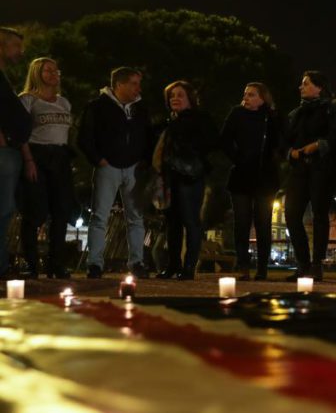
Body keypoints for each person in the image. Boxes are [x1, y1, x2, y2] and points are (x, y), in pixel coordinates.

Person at [78, 67, 153, 279]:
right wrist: (98, 159)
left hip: (134, 168)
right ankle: (95, 264)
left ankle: (137, 262)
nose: (138, 88)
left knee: (136, 217)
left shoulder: (140, 109)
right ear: (119, 84)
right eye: (134, 83)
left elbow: (148, 136)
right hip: (107, 166)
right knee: (100, 216)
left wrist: (145, 161)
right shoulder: (97, 106)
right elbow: (85, 136)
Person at [284, 71, 336, 281]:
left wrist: (318, 146)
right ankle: (303, 262)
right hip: (299, 169)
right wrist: (290, 152)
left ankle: (316, 264)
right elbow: (284, 139)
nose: (301, 87)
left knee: (320, 215)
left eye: (306, 83)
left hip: (323, 169)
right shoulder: (296, 113)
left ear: (319, 87)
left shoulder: (332, 109)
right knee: (292, 214)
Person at [154, 81, 218, 280]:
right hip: (170, 177)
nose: (175, 98)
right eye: (172, 95)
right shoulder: (169, 122)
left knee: (190, 221)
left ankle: (189, 266)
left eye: (180, 95)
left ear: (190, 98)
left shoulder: (200, 119)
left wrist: (191, 154)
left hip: (189, 176)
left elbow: (212, 143)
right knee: (172, 222)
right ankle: (173, 265)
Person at [17, 57, 75, 279]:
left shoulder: (64, 102)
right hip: (37, 155)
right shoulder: (28, 100)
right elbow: (21, 132)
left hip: (60, 156)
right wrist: (28, 160)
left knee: (61, 211)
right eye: (47, 70)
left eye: (56, 70)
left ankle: (56, 264)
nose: (53, 74)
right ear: (36, 73)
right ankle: (31, 264)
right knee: (35, 211)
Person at [221, 82, 281, 281]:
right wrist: (238, 157)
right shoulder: (237, 114)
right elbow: (225, 139)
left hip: (265, 176)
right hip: (241, 175)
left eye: (252, 94)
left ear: (262, 98)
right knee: (242, 222)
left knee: (263, 222)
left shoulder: (271, 117)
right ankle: (243, 265)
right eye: (245, 94)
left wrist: (273, 159)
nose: (246, 97)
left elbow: (280, 142)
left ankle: (262, 267)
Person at [0, 27, 32, 281]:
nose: (21, 53)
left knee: (6, 209)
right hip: (3, 151)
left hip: (9, 149)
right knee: (2, 208)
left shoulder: (4, 77)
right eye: (16, 47)